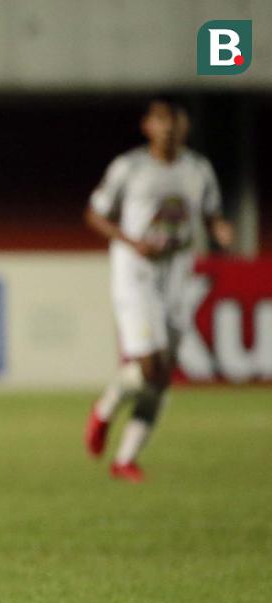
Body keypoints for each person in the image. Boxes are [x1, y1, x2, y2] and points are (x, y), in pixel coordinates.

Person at [83, 96, 234, 482]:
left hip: (178, 272)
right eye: (162, 120)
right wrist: (132, 243)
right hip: (136, 271)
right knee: (150, 365)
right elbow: (94, 214)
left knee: (165, 375)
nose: (169, 128)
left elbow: (212, 211)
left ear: (185, 128)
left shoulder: (198, 169)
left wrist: (219, 228)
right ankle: (105, 410)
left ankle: (125, 459)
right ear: (147, 125)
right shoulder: (130, 167)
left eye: (176, 122)